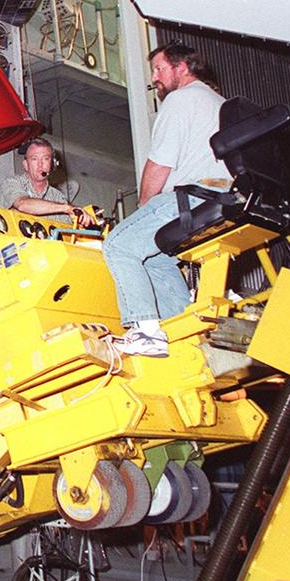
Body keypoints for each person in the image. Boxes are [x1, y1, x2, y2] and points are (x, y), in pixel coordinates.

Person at [102, 42, 230, 357]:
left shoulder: (181, 100)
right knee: (152, 255)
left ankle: (145, 331)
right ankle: (181, 331)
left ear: (182, 67)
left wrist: (143, 207)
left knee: (118, 245)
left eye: (159, 69)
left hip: (191, 197)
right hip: (224, 199)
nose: (155, 78)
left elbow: (159, 164)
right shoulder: (221, 103)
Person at [0, 137, 93, 392]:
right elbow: (22, 205)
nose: (39, 164)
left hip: (37, 273)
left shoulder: (57, 197)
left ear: (52, 164)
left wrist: (82, 217)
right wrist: (67, 208)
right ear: (25, 164)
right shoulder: (15, 185)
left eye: (45, 159)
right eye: (34, 159)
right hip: (3, 267)